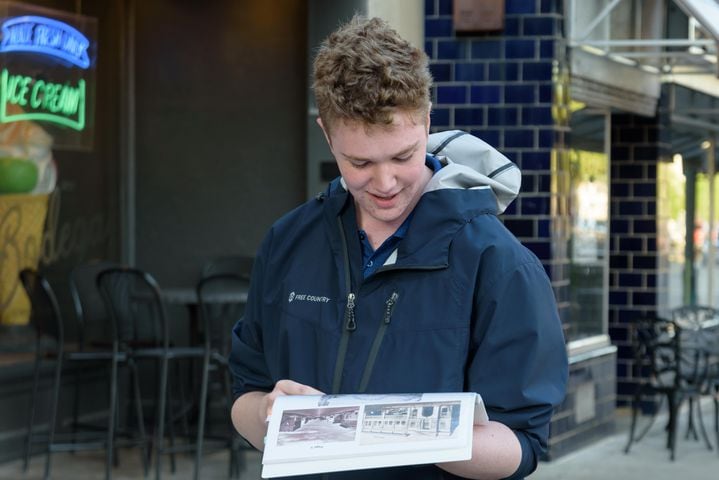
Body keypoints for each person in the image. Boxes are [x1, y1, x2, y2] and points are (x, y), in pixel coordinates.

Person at [229, 15, 568, 480]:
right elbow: (244, 394)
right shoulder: (288, 243)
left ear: (426, 123)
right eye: (360, 162)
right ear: (327, 135)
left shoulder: (500, 264)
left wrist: (387, 433)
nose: (385, 184)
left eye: (403, 156)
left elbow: (522, 444)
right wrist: (270, 414)